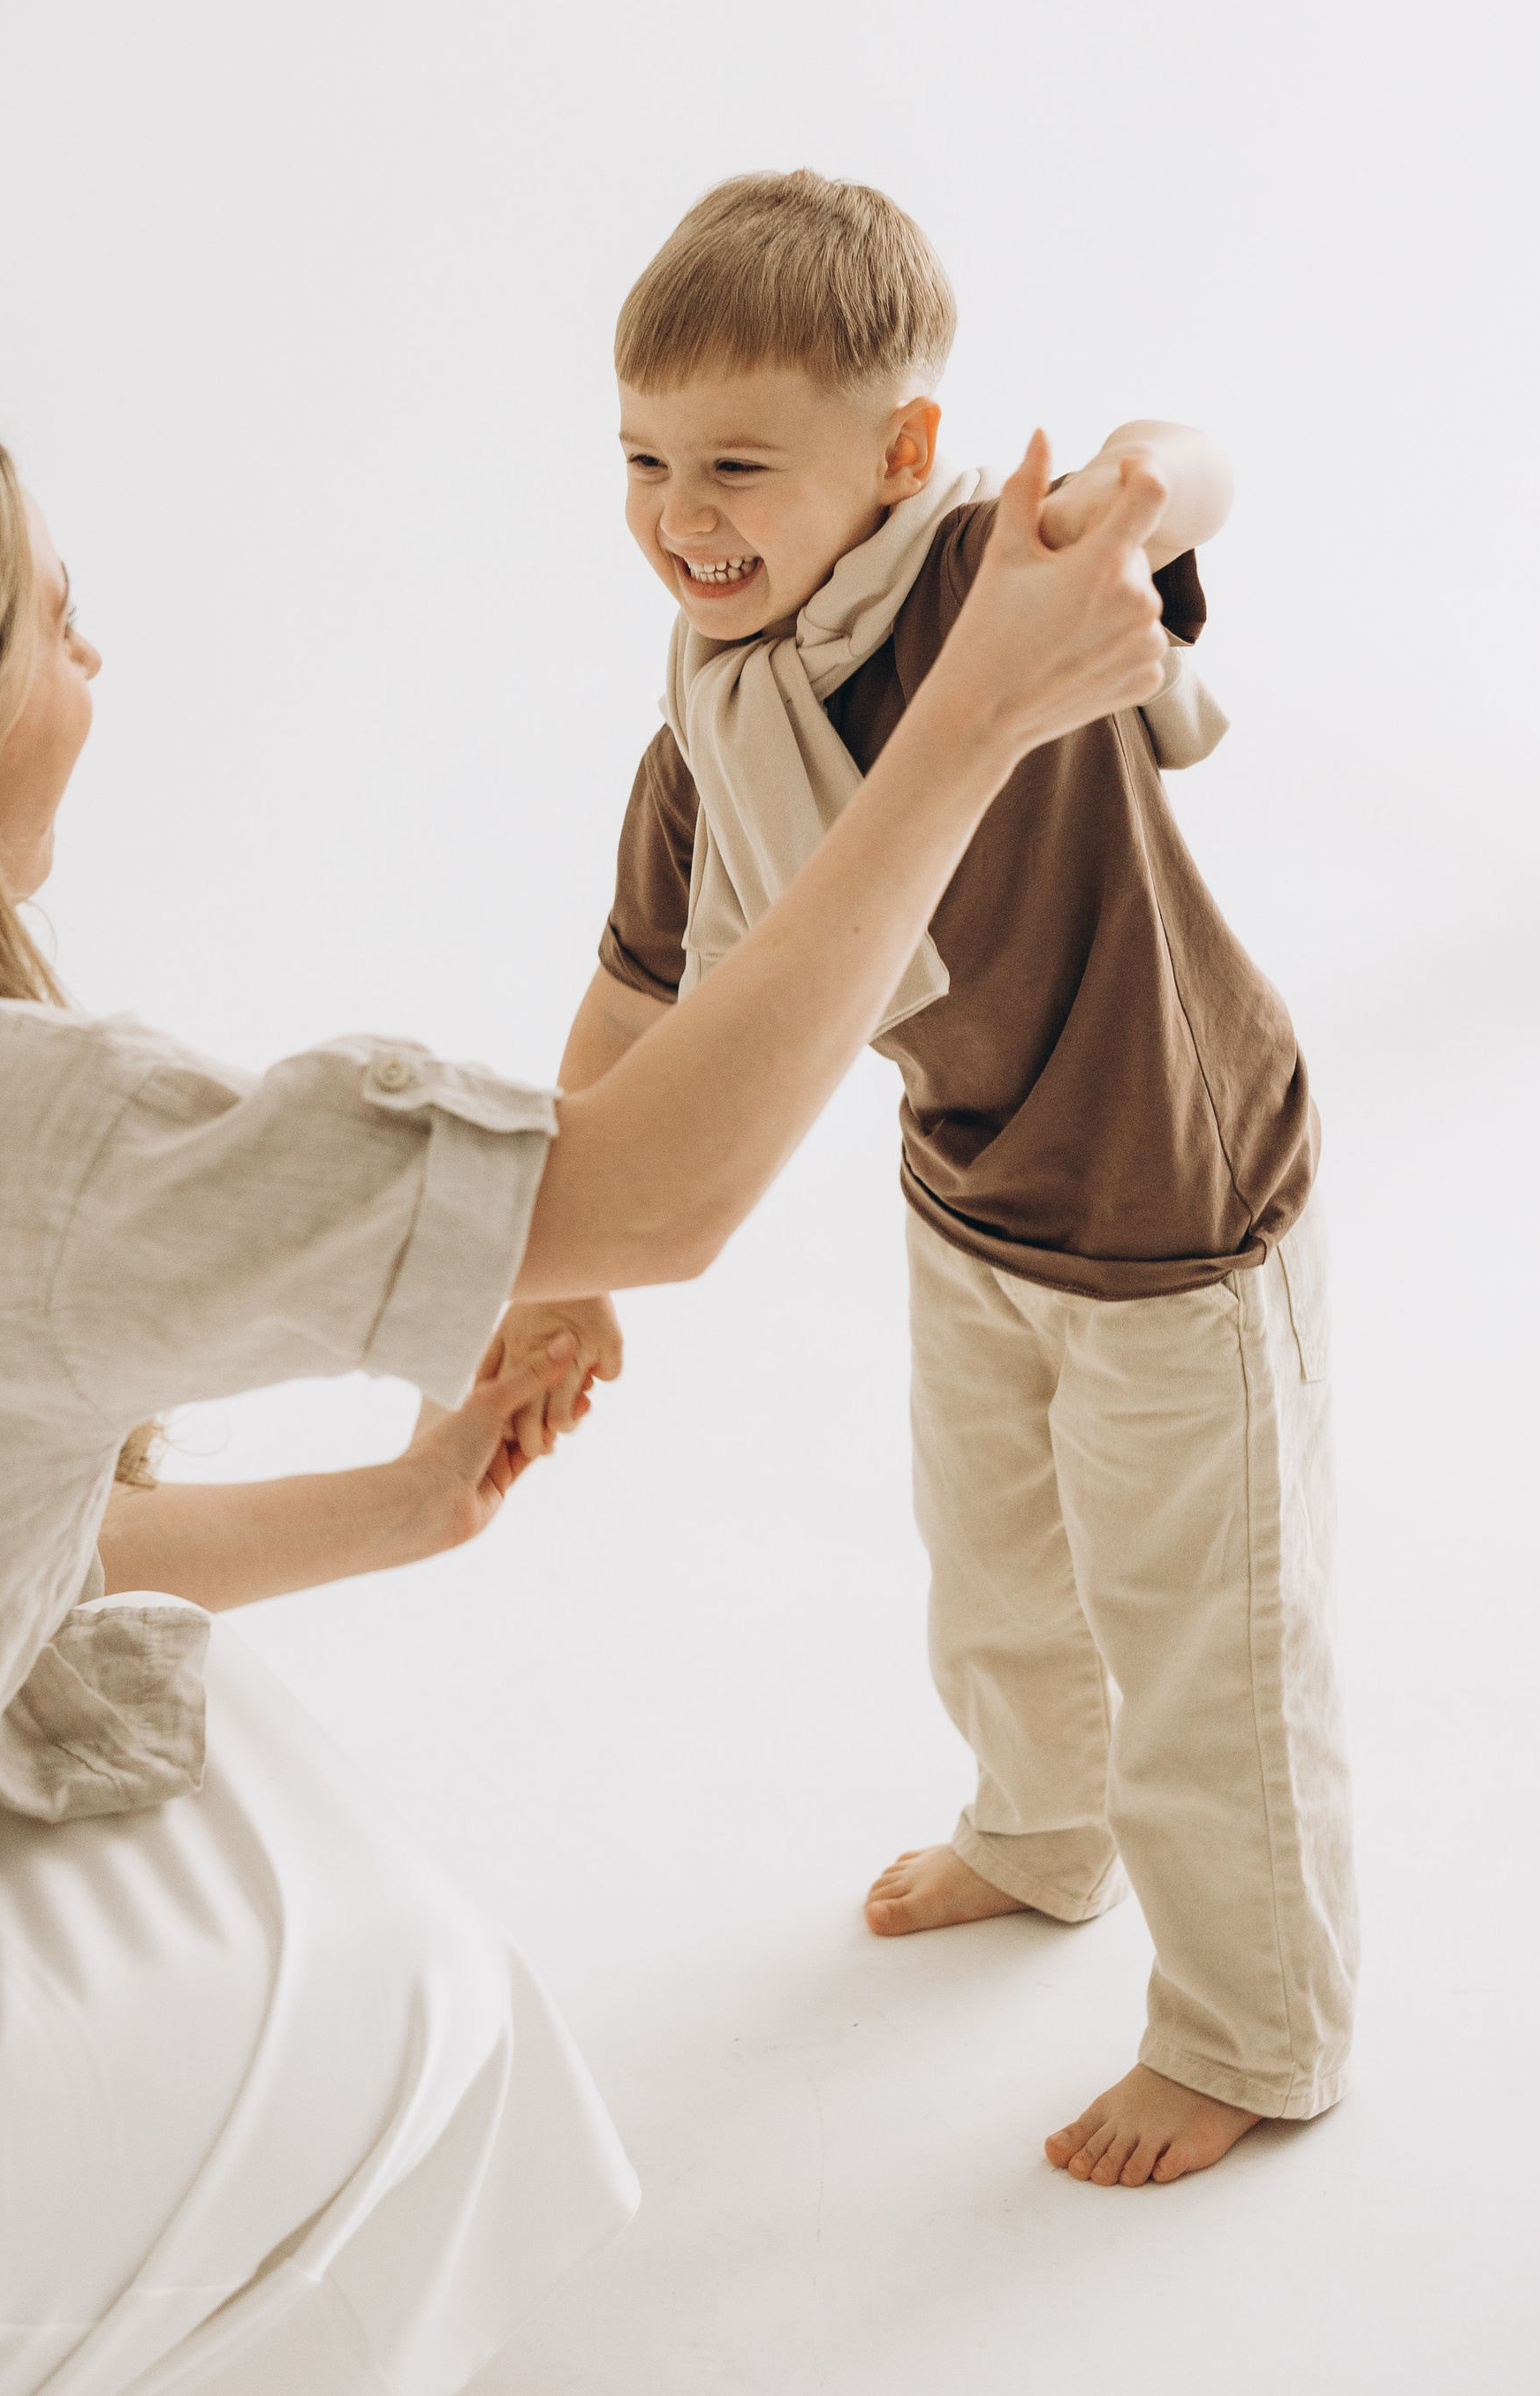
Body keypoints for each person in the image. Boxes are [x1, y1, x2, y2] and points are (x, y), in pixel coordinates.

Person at [0, 397, 1165, 2392]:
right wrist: (969, 725)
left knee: (229, 1780)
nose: (96, 664)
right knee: (415, 1998)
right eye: (52, 626)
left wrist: (401, 1509)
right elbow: (653, 1196)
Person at [484, 171, 1355, 2192]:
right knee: (994, 1571)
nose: (677, 512)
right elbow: (624, 1010)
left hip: (1168, 1191)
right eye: (639, 458)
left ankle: (1253, 2030)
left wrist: (1138, 482)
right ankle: (1040, 1835)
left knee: (1198, 1635)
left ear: (890, 456)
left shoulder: (993, 577)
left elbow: (1198, 463)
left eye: (731, 463)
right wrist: (562, 1263)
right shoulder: (711, 724)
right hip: (968, 1180)